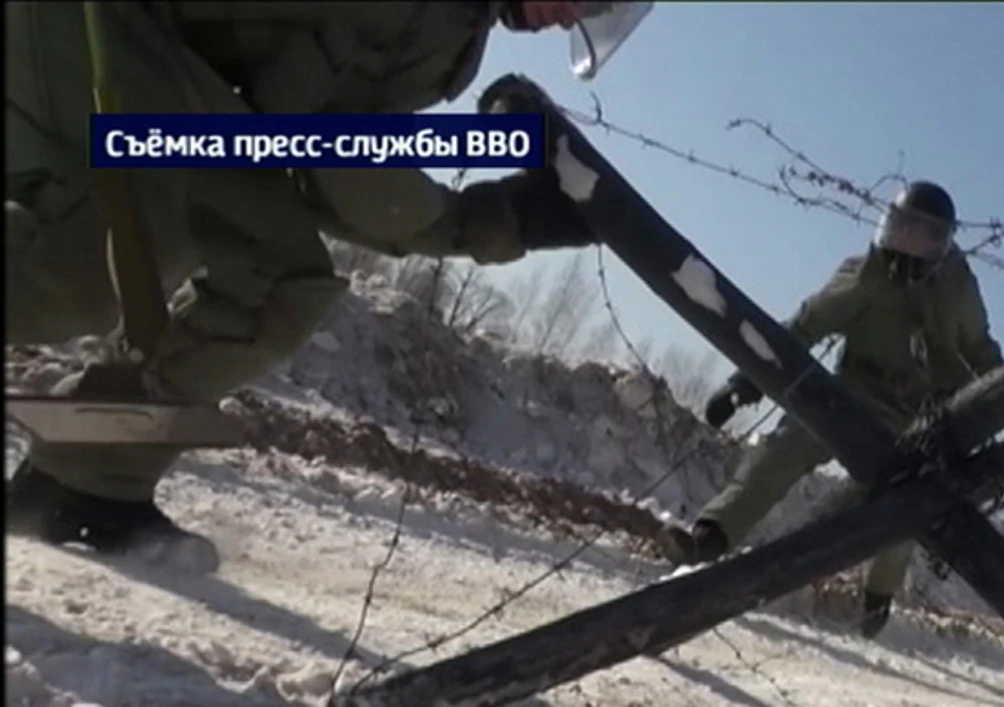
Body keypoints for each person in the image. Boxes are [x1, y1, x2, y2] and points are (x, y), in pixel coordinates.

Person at [4, 1, 657, 568]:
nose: (576, 14)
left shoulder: (460, 23)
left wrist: (495, 217)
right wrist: (495, 222)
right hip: (97, 23)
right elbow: (333, 151)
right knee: (116, 248)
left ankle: (84, 481)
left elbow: (308, 143)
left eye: (596, 12)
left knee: (278, 277)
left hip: (186, 85)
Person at [658, 180, 1004, 638]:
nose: (910, 243)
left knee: (907, 507)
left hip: (919, 416)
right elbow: (804, 326)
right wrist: (744, 382)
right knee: (785, 446)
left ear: (943, 243)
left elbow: (979, 347)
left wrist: (999, 398)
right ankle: (711, 534)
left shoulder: (957, 289)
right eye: (903, 228)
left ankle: (878, 597)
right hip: (853, 398)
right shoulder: (863, 278)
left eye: (925, 235)